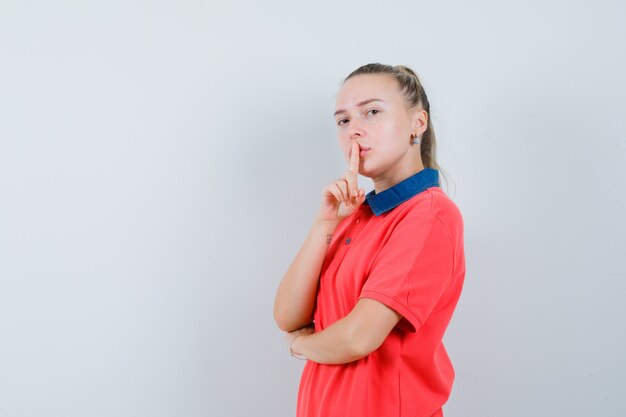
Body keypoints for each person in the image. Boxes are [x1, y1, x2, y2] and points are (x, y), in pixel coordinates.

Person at [273, 63, 466, 417]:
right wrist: (323, 224)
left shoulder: (429, 215)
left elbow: (359, 337)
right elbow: (287, 315)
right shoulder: (356, 214)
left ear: (417, 123)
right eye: (343, 120)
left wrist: (301, 344)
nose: (354, 131)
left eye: (372, 112)